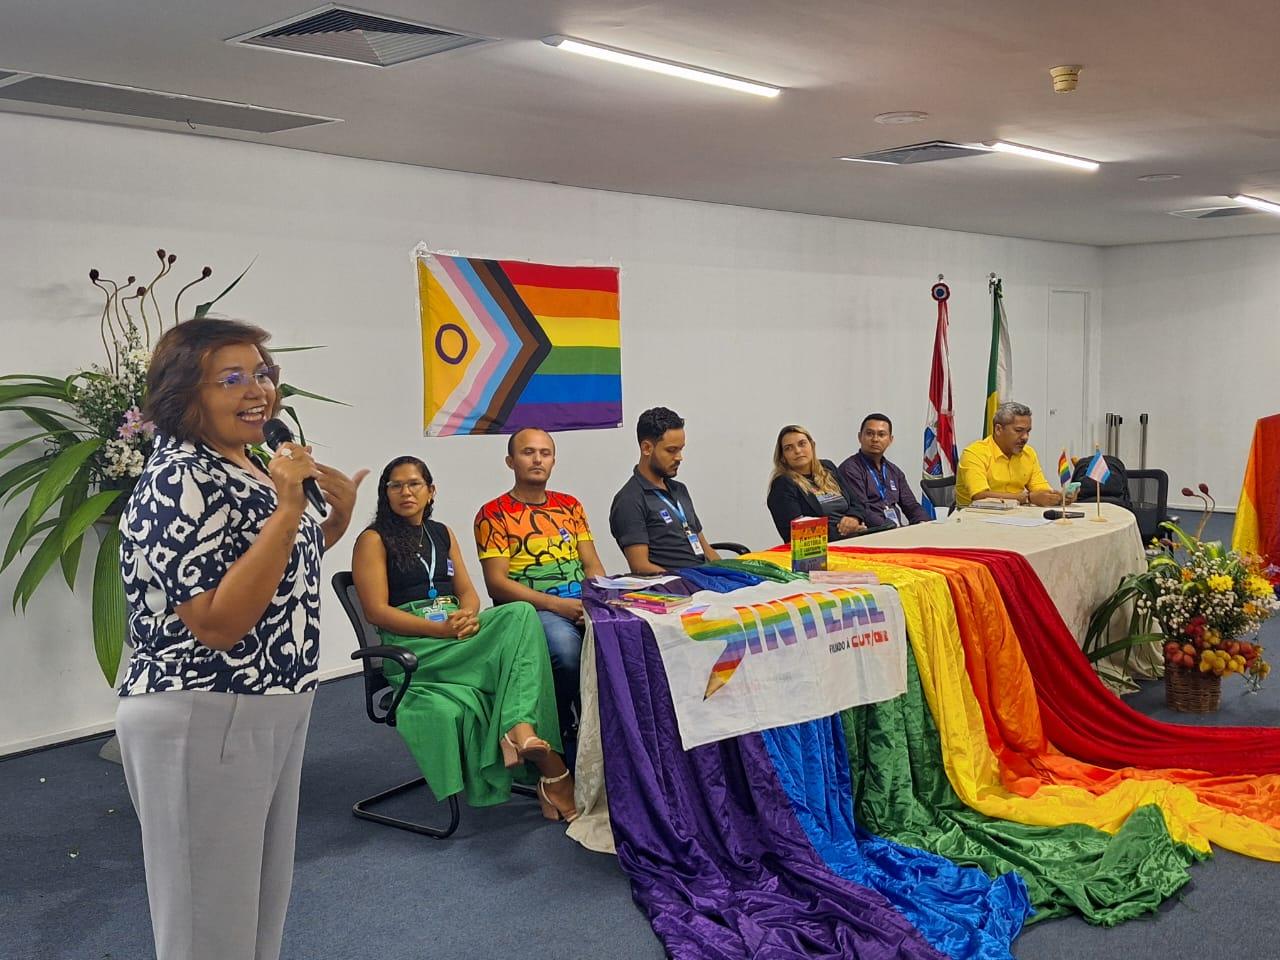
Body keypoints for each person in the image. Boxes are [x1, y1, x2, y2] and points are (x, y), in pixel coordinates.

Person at [116, 318, 367, 960]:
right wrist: (288, 509)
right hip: (203, 709)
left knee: (255, 912)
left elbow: (273, 572)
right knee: (207, 926)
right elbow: (220, 622)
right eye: (232, 378)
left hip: (269, 703)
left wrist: (327, 516)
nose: (258, 390)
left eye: (262, 373)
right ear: (183, 395)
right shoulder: (178, 479)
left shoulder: (246, 463)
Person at [352, 455, 576, 821]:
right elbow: (376, 612)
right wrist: (440, 628)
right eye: (396, 486)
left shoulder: (442, 533)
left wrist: (468, 615)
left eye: (414, 484)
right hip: (416, 642)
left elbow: (469, 593)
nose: (406, 492)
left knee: (519, 612)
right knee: (519, 641)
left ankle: (520, 729)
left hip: (452, 630)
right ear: (385, 494)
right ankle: (547, 765)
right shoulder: (373, 540)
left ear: (430, 491)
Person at [474, 427, 605, 755]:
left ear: (553, 461)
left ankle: (606, 737)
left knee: (628, 638)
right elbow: (498, 585)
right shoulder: (493, 514)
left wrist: (596, 599)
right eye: (528, 452)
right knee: (567, 653)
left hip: (580, 602)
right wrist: (559, 606)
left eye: (544, 453)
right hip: (534, 610)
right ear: (510, 461)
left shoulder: (570, 506)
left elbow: (592, 565)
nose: (537, 459)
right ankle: (558, 731)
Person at [609, 406, 720, 574]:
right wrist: (687, 581)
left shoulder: (679, 489)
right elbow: (640, 567)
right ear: (647, 448)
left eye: (681, 449)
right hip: (677, 588)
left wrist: (727, 573)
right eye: (671, 450)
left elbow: (705, 548)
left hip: (705, 578)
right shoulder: (630, 500)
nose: (679, 457)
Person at [766, 424, 878, 542]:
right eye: (789, 448)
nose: (797, 451)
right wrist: (845, 531)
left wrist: (854, 517)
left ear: (812, 446)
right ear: (783, 456)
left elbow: (857, 503)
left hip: (854, 538)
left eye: (802, 444)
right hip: (819, 550)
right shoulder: (783, 484)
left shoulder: (827, 467)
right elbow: (796, 531)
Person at [955, 400, 1074, 508]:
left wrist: (1058, 498)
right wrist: (1028, 498)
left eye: (1028, 431)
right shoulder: (974, 453)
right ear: (998, 429)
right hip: (974, 518)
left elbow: (1040, 491)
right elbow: (980, 496)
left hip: (1016, 516)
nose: (1025, 437)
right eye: (1018, 431)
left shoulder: (1029, 453)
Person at [838, 414, 932, 526]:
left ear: (890, 440)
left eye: (881, 434)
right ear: (859, 437)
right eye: (869, 434)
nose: (875, 439)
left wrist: (923, 522)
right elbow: (862, 509)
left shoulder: (894, 471)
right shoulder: (850, 469)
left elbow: (911, 505)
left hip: (895, 531)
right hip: (871, 532)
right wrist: (891, 528)